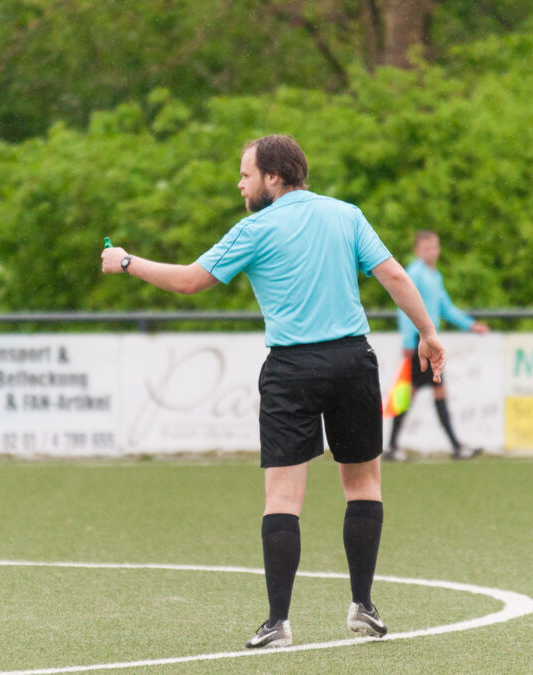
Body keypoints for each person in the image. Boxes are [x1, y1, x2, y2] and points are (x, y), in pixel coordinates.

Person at [100, 135, 445, 649]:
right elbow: (392, 274)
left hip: (291, 368)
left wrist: (127, 262)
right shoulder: (345, 214)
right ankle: (364, 606)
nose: (240, 184)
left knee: (283, 496)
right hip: (352, 360)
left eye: (246, 175)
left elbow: (191, 281)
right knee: (364, 484)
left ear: (274, 178)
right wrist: (428, 333)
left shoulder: (254, 229)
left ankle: (278, 622)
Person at [385, 230, 490, 462]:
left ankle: (400, 446)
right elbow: (403, 306)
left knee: (423, 392)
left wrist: (471, 325)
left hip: (428, 344)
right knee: (416, 393)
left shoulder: (435, 275)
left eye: (434, 247)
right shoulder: (414, 273)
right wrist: (407, 341)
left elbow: (446, 308)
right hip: (417, 344)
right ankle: (452, 446)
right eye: (426, 248)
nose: (432, 252)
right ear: (417, 251)